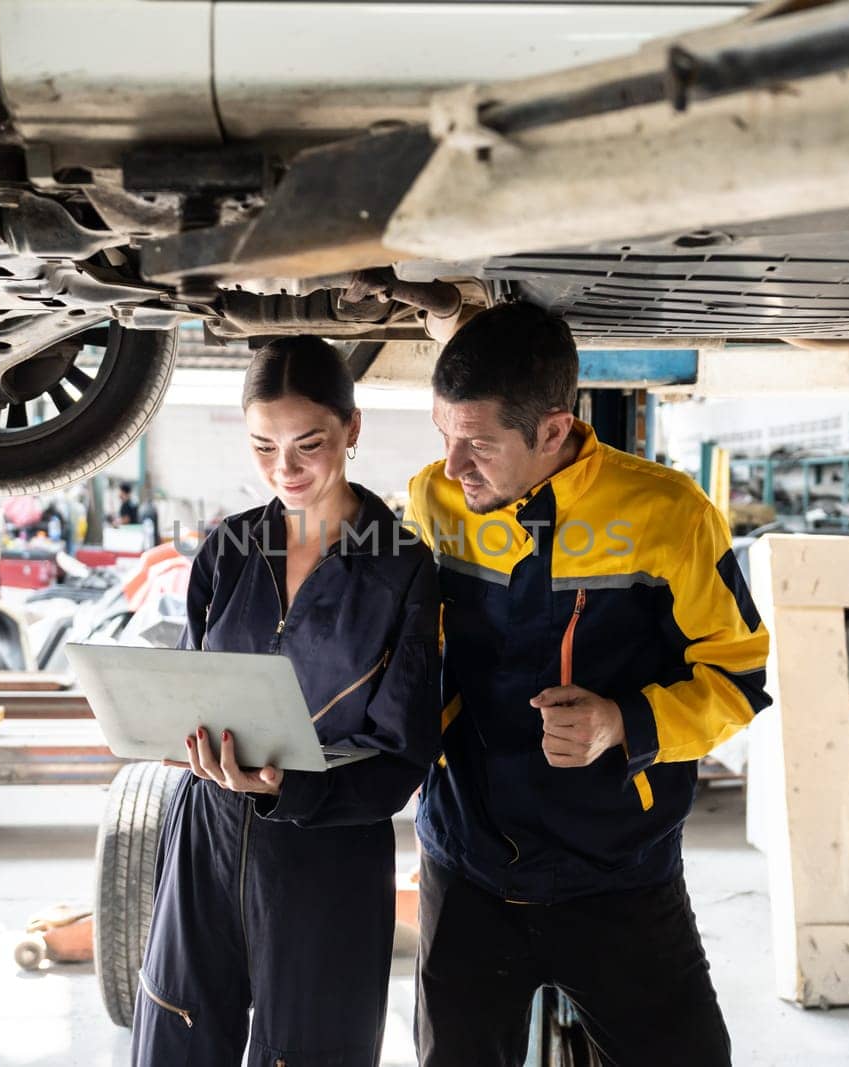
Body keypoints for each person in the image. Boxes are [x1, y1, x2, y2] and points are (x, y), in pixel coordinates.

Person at [405, 302, 772, 1067]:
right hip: (469, 865)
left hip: (617, 870)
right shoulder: (434, 502)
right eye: (443, 435)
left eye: (475, 444)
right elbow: (407, 653)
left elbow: (738, 674)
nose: (451, 467)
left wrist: (623, 722)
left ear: (552, 430)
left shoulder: (669, 515)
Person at [133, 336, 441, 1067]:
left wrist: (290, 788)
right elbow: (190, 682)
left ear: (353, 430)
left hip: (326, 855)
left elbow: (403, 757)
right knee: (178, 1030)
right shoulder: (228, 548)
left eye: (310, 445)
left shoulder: (401, 566)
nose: (285, 470)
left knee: (310, 1050)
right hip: (207, 834)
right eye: (263, 447)